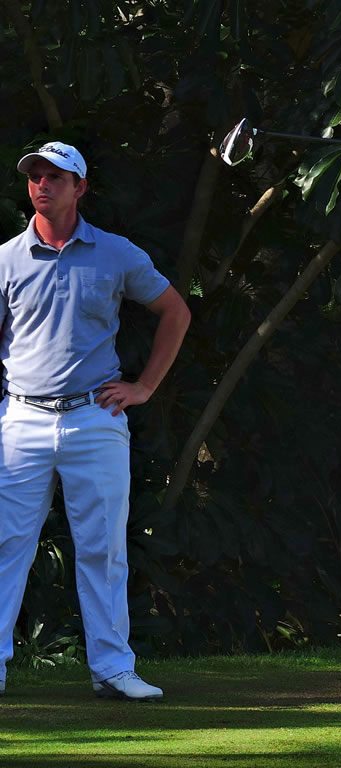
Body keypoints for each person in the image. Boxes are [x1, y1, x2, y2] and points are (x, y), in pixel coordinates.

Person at [0, 141, 191, 700]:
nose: (42, 185)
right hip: (21, 420)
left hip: (96, 416)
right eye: (35, 176)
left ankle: (112, 669)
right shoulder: (6, 258)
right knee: (6, 545)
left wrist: (144, 387)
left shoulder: (115, 252)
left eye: (55, 177)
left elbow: (175, 311)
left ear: (80, 187)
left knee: (104, 548)